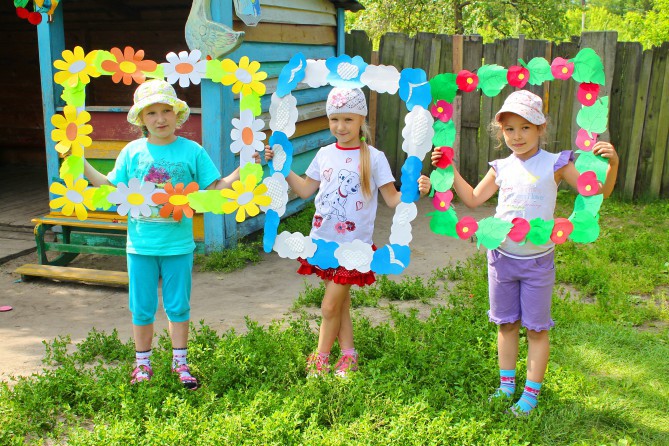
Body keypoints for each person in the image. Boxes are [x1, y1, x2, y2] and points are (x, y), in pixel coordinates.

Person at [431, 90, 619, 415]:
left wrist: (612, 164)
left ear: (540, 127)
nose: (517, 136)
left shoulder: (556, 164)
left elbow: (598, 192)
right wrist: (449, 172)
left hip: (537, 263)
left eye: (525, 128)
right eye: (509, 129)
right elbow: (474, 199)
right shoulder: (500, 167)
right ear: (501, 131)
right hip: (501, 259)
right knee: (506, 325)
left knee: (536, 328)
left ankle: (530, 393)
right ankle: (506, 386)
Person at [83, 79, 253, 389]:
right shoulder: (132, 152)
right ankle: (142, 365)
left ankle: (181, 363)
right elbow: (110, 189)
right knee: (142, 306)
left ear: (177, 114)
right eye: (152, 113)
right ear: (141, 119)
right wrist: (78, 164)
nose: (160, 119)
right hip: (140, 247)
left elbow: (214, 189)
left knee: (178, 305)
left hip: (178, 246)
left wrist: (246, 167)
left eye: (166, 111)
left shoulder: (192, 151)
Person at [265, 87, 431, 378]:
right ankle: (349, 355)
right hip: (323, 244)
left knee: (329, 306)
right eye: (335, 119)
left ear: (361, 119)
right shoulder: (325, 153)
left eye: (348, 120)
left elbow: (393, 200)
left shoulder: (374, 158)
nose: (340, 127)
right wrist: (281, 167)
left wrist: (416, 191)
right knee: (339, 306)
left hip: (353, 249)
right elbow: (305, 190)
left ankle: (321, 359)